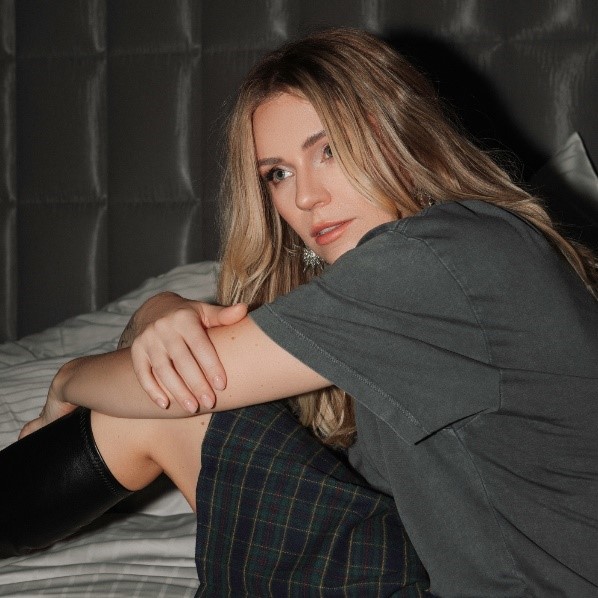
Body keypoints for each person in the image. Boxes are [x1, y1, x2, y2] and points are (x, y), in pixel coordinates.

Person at [2, 27, 597, 597]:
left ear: (397, 134)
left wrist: (70, 376)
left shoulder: (436, 259)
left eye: (329, 150)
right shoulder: (461, 254)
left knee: (172, 404)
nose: (306, 196)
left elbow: (181, 387)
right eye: (278, 174)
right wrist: (161, 308)